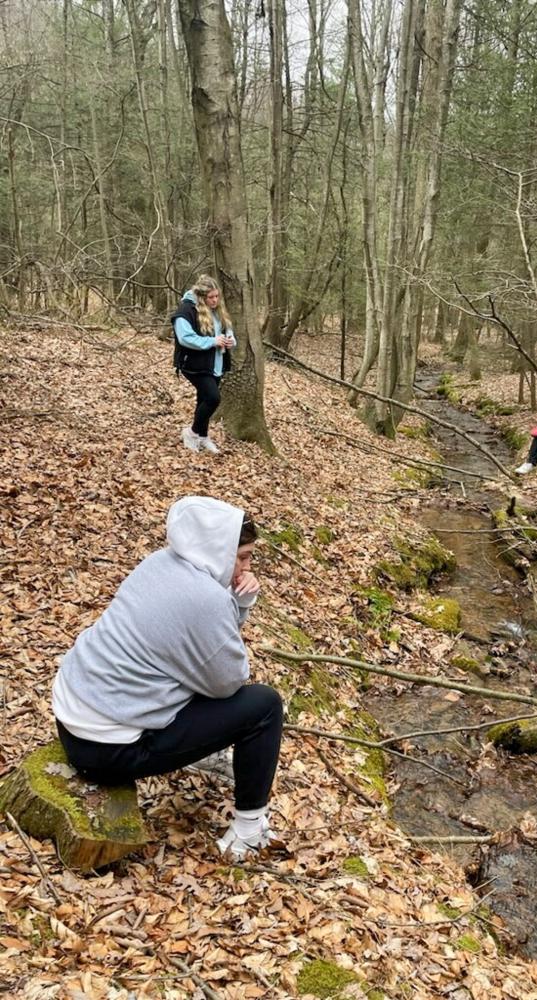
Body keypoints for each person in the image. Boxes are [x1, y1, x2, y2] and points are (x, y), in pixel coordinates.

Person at [52, 496, 283, 860]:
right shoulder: (207, 599)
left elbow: (205, 654)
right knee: (265, 706)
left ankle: (200, 752)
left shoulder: (160, 562)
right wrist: (240, 604)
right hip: (104, 752)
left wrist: (231, 601)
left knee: (197, 675)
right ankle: (250, 829)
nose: (247, 566)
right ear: (219, 551)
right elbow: (229, 682)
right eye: (242, 557)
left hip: (72, 719)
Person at [172, 275, 236, 454]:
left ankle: (203, 436)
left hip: (215, 363)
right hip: (193, 364)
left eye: (217, 296)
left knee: (203, 399)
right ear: (201, 296)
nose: (215, 300)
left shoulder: (217, 310)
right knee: (213, 398)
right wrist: (212, 341)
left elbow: (227, 330)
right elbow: (185, 338)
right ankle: (191, 433)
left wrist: (230, 340)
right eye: (211, 297)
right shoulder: (186, 310)